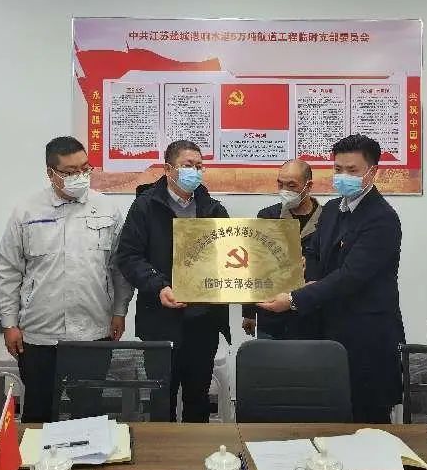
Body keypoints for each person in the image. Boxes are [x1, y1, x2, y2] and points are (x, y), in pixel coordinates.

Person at [258, 134, 405, 423]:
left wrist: (294, 298)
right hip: (330, 334)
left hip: (367, 340)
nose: (343, 176)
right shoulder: (334, 210)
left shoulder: (382, 218)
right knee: (329, 422)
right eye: (338, 169)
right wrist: (300, 275)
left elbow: (350, 277)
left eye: (352, 170)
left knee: (367, 425)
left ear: (372, 172)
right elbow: (315, 256)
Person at [0, 136, 133, 423]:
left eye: (85, 168)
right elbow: (8, 269)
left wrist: (119, 311)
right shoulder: (27, 211)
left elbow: (119, 268)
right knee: (39, 411)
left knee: (90, 411)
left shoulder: (107, 209)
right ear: (51, 173)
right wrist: (8, 323)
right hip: (39, 333)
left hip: (93, 329)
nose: (80, 176)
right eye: (70, 172)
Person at [115, 140, 230, 422]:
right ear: (168, 169)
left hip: (203, 322)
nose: (195, 171)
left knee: (198, 398)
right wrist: (158, 285)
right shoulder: (145, 207)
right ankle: (161, 450)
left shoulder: (213, 209)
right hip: (160, 320)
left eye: (200, 166)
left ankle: (197, 449)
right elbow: (129, 257)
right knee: (160, 398)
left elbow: (229, 259)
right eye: (188, 165)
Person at [241, 159, 322, 340]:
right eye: (280, 184)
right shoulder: (268, 216)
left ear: (308, 186)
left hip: (312, 316)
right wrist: (249, 311)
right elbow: (254, 264)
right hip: (271, 315)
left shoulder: (327, 219)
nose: (284, 190)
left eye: (291, 185)